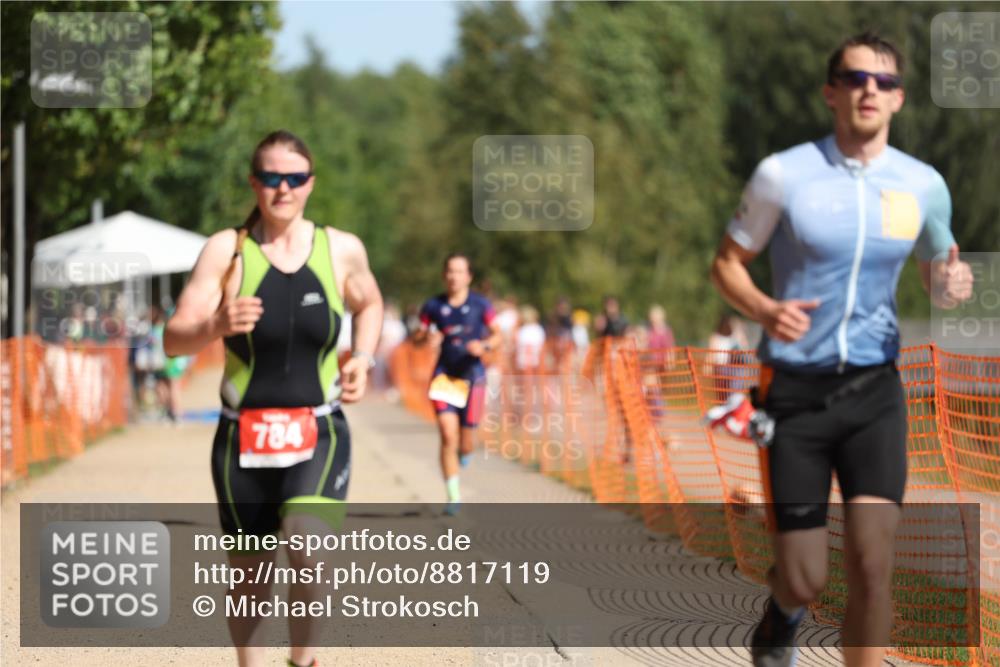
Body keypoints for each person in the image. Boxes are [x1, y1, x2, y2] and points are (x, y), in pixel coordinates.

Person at [709, 32, 973, 667]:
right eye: (855, 79)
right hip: (794, 395)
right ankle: (783, 614)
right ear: (832, 92)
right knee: (804, 576)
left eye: (882, 82)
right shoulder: (784, 174)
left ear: (899, 99)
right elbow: (727, 265)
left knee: (873, 562)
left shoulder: (922, 184)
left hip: (875, 392)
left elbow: (941, 264)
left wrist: (949, 282)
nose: (868, 91)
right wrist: (767, 309)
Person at [164, 129, 383, 667]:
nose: (282, 189)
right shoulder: (227, 249)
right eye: (270, 178)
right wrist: (215, 323)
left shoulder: (341, 248)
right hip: (243, 436)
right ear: (253, 181)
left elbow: (370, 303)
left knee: (307, 547)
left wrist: (362, 358)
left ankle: (302, 660)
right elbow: (174, 337)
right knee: (250, 576)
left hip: (319, 429)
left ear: (311, 183)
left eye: (294, 178)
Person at [413, 253, 501, 515]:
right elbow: (418, 336)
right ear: (444, 275)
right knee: (446, 433)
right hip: (445, 377)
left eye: (459, 271)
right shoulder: (432, 306)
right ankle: (453, 495)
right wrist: (426, 338)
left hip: (473, 376)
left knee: (465, 441)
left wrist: (483, 346)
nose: (454, 276)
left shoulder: (480, 305)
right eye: (450, 271)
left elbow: (498, 335)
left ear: (468, 276)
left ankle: (466, 448)